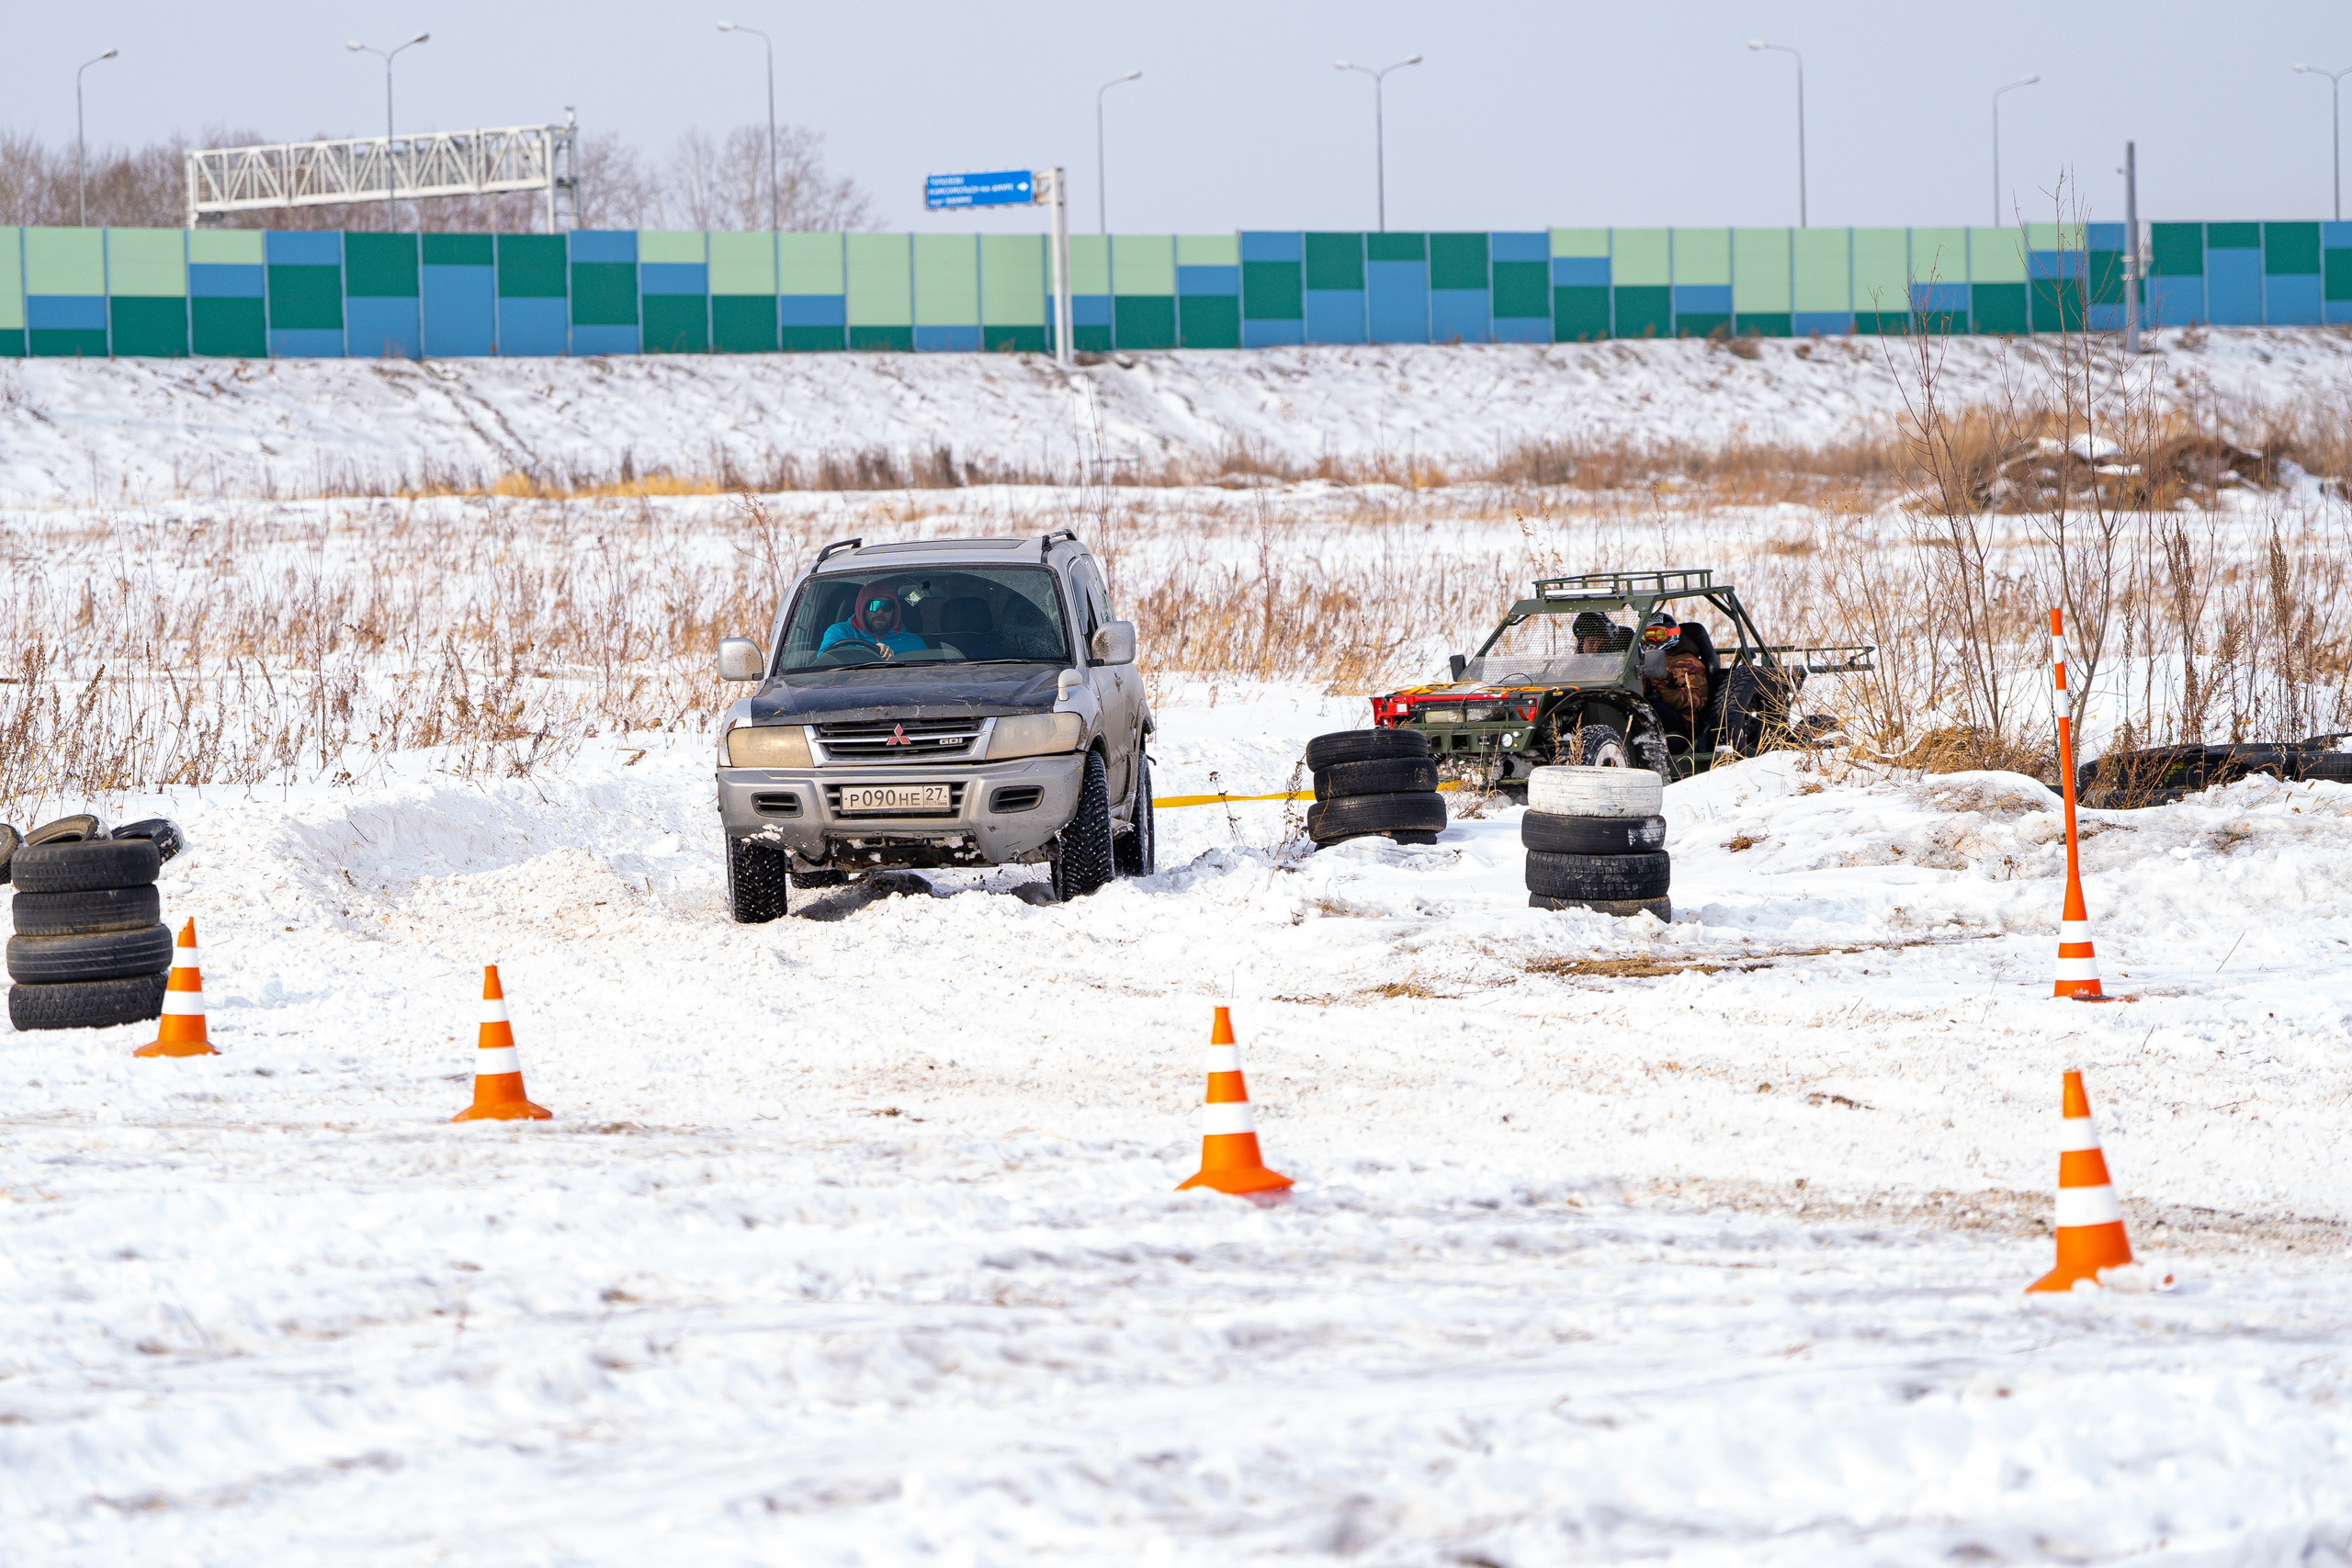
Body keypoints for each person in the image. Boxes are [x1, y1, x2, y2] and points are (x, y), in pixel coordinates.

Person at [1641, 617, 1713, 750]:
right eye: (1647, 635)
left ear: (1671, 634)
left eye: (1658, 635)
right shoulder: (1642, 661)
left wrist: (1662, 697)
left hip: (1684, 721)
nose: (1651, 640)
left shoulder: (1687, 663)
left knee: (1654, 708)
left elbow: (1696, 700)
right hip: (1650, 710)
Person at [820, 583, 927, 659]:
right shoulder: (839, 633)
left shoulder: (915, 644)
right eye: (873, 605)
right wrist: (870, 652)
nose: (880, 611)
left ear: (895, 611)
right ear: (861, 608)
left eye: (886, 606)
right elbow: (824, 662)